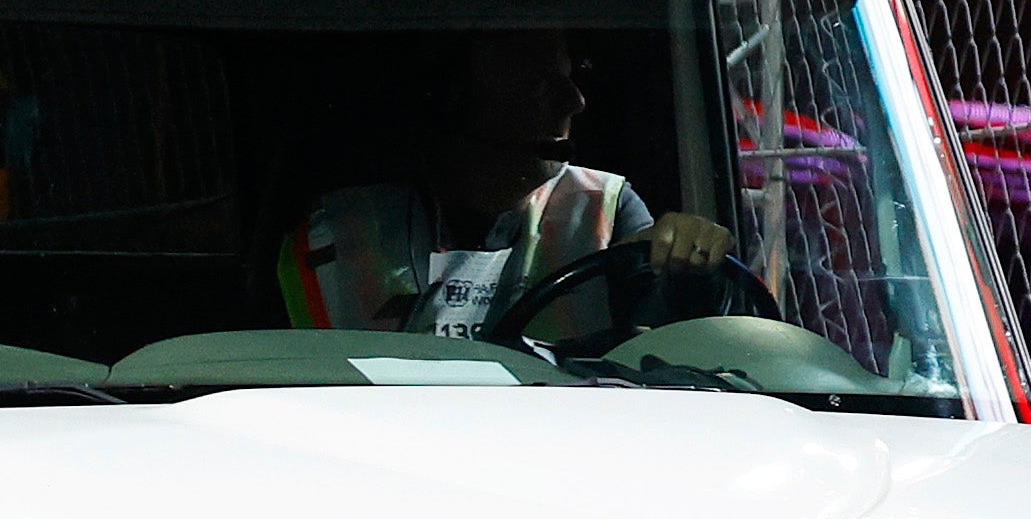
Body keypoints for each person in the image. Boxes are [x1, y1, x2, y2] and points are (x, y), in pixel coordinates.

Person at [281, 29, 727, 349]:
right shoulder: (335, 235)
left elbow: (668, 355)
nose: (575, 101)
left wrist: (690, 267)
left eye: (569, 78)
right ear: (447, 101)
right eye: (539, 82)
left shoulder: (606, 211)